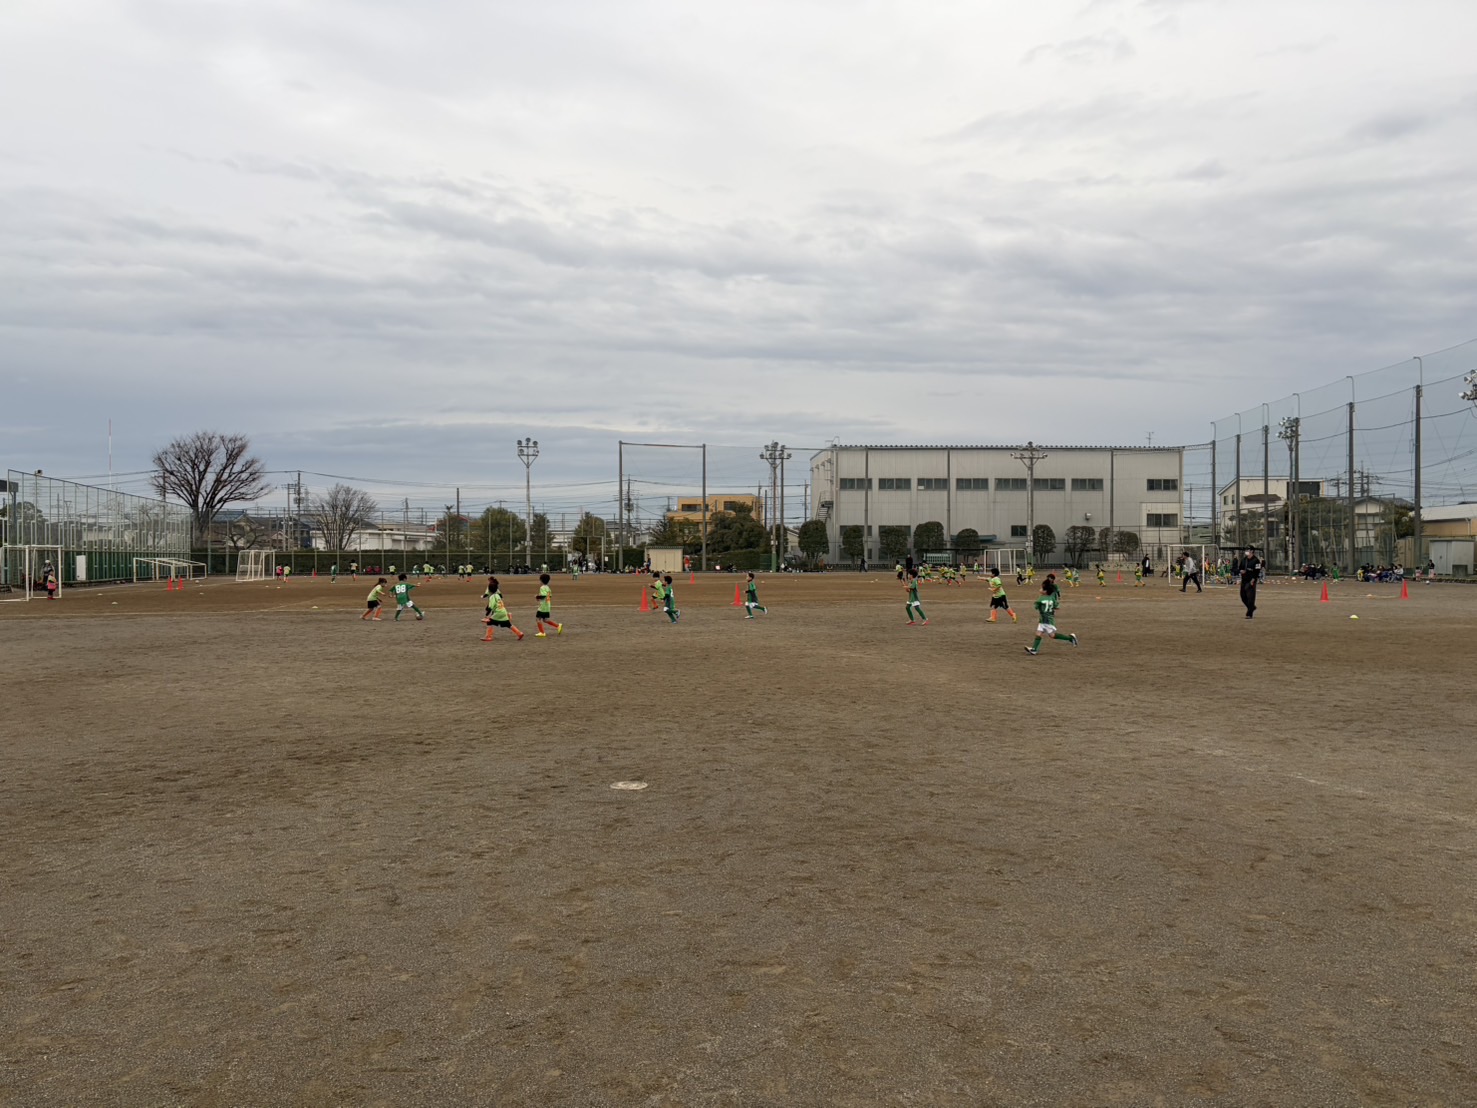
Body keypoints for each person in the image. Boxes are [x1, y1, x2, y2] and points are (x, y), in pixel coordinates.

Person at [1025, 580, 1079, 655]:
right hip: (1047, 619)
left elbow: (1036, 607)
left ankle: (1070, 638)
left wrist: (1039, 605)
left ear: (1045, 591)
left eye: (1041, 588)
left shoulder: (1041, 598)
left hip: (1045, 620)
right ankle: (1034, 649)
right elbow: (1057, 607)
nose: (1040, 589)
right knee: (1039, 633)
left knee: (1052, 635)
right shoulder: (1052, 598)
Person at [1239, 547, 1262, 619]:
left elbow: (1257, 571)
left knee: (1250, 597)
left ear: (1252, 551)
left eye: (1248, 550)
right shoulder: (1244, 560)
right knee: (1243, 596)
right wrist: (1241, 571)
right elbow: (1240, 568)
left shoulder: (1256, 560)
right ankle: (1252, 607)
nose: (1246, 552)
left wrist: (1253, 580)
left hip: (1251, 580)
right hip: (1244, 580)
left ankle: (1249, 613)